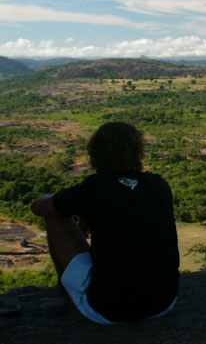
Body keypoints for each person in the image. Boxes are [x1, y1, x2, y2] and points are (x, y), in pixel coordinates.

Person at [31, 122, 179, 324]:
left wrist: (76, 207)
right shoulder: (159, 184)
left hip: (109, 309)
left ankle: (65, 290)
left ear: (95, 153)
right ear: (139, 151)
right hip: (164, 302)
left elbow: (38, 207)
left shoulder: (92, 190)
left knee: (54, 211)